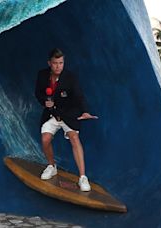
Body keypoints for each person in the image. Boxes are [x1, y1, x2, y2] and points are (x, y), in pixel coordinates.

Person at [35, 48, 98, 192]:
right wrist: (45, 102)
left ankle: (82, 177)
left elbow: (79, 96)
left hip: (69, 114)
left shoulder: (70, 78)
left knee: (74, 138)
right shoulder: (42, 75)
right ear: (49, 63)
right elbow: (38, 93)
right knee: (45, 139)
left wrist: (85, 111)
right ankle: (52, 166)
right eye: (55, 63)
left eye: (61, 63)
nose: (58, 66)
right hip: (52, 113)